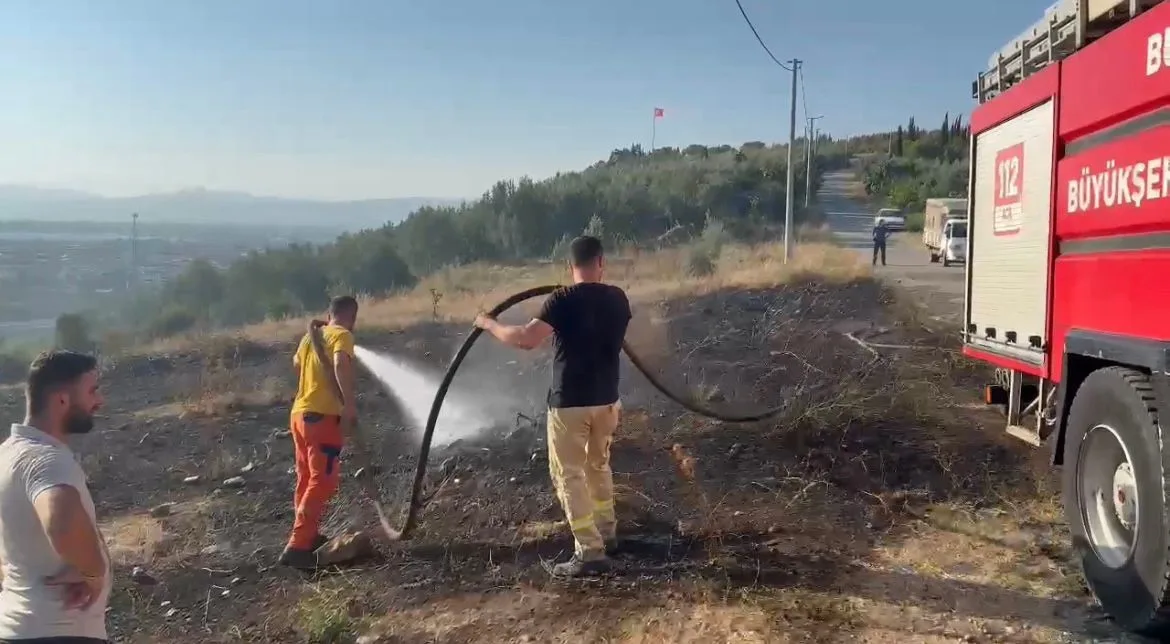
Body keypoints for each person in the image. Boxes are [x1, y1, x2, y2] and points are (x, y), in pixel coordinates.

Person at [474, 235, 632, 578]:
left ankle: (590, 552)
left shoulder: (563, 300)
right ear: (601, 262)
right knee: (598, 466)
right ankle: (608, 533)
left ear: (569, 266)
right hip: (607, 401)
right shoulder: (619, 299)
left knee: (569, 475)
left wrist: (488, 324)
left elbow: (526, 339)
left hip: (570, 403)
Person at [0, 350, 110, 643]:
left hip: (17, 629)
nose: (99, 401)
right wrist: (93, 572)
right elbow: (60, 520)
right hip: (60, 631)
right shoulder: (45, 459)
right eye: (91, 391)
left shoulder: (6, 456)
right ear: (62, 400)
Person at [279, 295, 359, 570]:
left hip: (299, 416)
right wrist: (348, 404)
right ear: (352, 317)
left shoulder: (310, 337)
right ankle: (298, 545)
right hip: (322, 418)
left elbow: (296, 364)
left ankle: (307, 536)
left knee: (306, 479)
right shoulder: (342, 335)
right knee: (322, 481)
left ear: (329, 313)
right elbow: (339, 363)